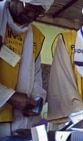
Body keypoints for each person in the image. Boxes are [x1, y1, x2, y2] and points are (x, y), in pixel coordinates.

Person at [0, 0, 54, 137]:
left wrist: (36, 100)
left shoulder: (36, 35)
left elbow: (35, 74)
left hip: (17, 120)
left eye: (38, 12)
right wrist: (9, 96)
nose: (31, 14)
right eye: (29, 7)